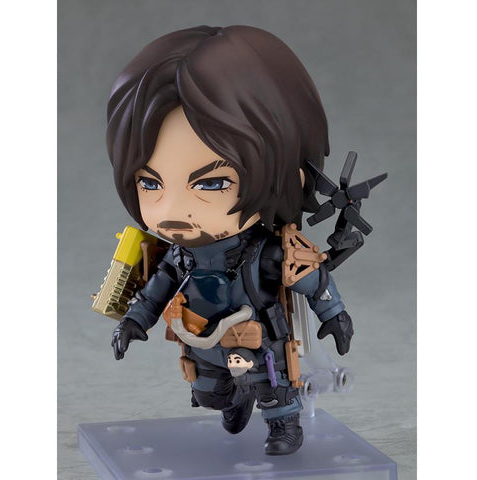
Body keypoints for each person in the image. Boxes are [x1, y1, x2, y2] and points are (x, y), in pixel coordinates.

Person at [107, 25, 353, 455]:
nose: (171, 209)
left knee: (274, 385)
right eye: (150, 183)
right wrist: (134, 321)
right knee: (208, 392)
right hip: (199, 335)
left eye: (211, 183)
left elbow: (311, 278)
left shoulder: (265, 252)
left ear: (285, 176)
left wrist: (334, 314)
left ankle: (284, 426)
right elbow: (156, 289)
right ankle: (233, 400)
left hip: (259, 336)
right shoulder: (181, 256)